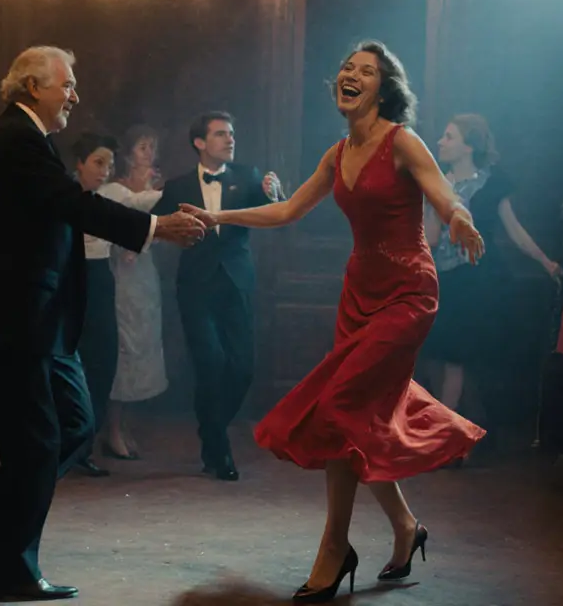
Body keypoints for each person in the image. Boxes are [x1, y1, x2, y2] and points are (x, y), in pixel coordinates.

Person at [179, 41, 486, 602]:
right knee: (358, 421)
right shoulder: (337, 152)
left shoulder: (403, 142)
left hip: (407, 293)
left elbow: (443, 195)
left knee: (342, 407)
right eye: (347, 68)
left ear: (382, 88)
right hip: (358, 294)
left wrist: (461, 219)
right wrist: (216, 215)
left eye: (366, 71)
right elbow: (288, 209)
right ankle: (404, 526)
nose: (352, 75)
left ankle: (334, 547)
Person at [0, 46, 206, 601]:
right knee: (39, 445)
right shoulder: (16, 141)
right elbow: (75, 206)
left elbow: (64, 210)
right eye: (66, 85)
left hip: (37, 319)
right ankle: (5, 565)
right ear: (31, 86)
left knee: (73, 427)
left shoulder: (29, 139)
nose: (74, 94)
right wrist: (155, 228)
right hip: (11, 320)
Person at [153, 111, 284, 480]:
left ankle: (211, 431)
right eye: (221, 134)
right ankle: (218, 447)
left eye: (231, 133)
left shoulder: (248, 176)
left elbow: (275, 210)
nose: (230, 140)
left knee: (242, 368)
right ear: (199, 143)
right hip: (195, 287)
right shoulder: (177, 187)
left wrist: (276, 191)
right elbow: (154, 225)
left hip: (237, 283)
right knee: (210, 363)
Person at [421, 115, 561, 449]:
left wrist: (545, 261)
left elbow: (514, 231)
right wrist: (432, 201)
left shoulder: (493, 183)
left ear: (469, 145)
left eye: (449, 136)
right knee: (447, 360)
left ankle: (446, 440)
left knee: (458, 360)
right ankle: (466, 434)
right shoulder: (437, 182)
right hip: (448, 281)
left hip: (480, 282)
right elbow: (431, 238)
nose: (440, 142)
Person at [99, 125, 169, 461]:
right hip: (120, 277)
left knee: (141, 347)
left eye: (152, 146)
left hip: (143, 278)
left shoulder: (157, 187)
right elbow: (110, 229)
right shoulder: (115, 189)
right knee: (123, 349)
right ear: (128, 155)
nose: (149, 153)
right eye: (143, 147)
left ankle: (124, 425)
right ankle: (111, 429)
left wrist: (145, 242)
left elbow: (161, 227)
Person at [70, 131, 124, 477]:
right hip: (69, 279)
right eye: (98, 163)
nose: (104, 171)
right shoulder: (63, 197)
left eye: (110, 165)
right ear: (79, 164)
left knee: (103, 361)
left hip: (101, 278)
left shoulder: (110, 198)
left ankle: (84, 446)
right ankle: (64, 445)